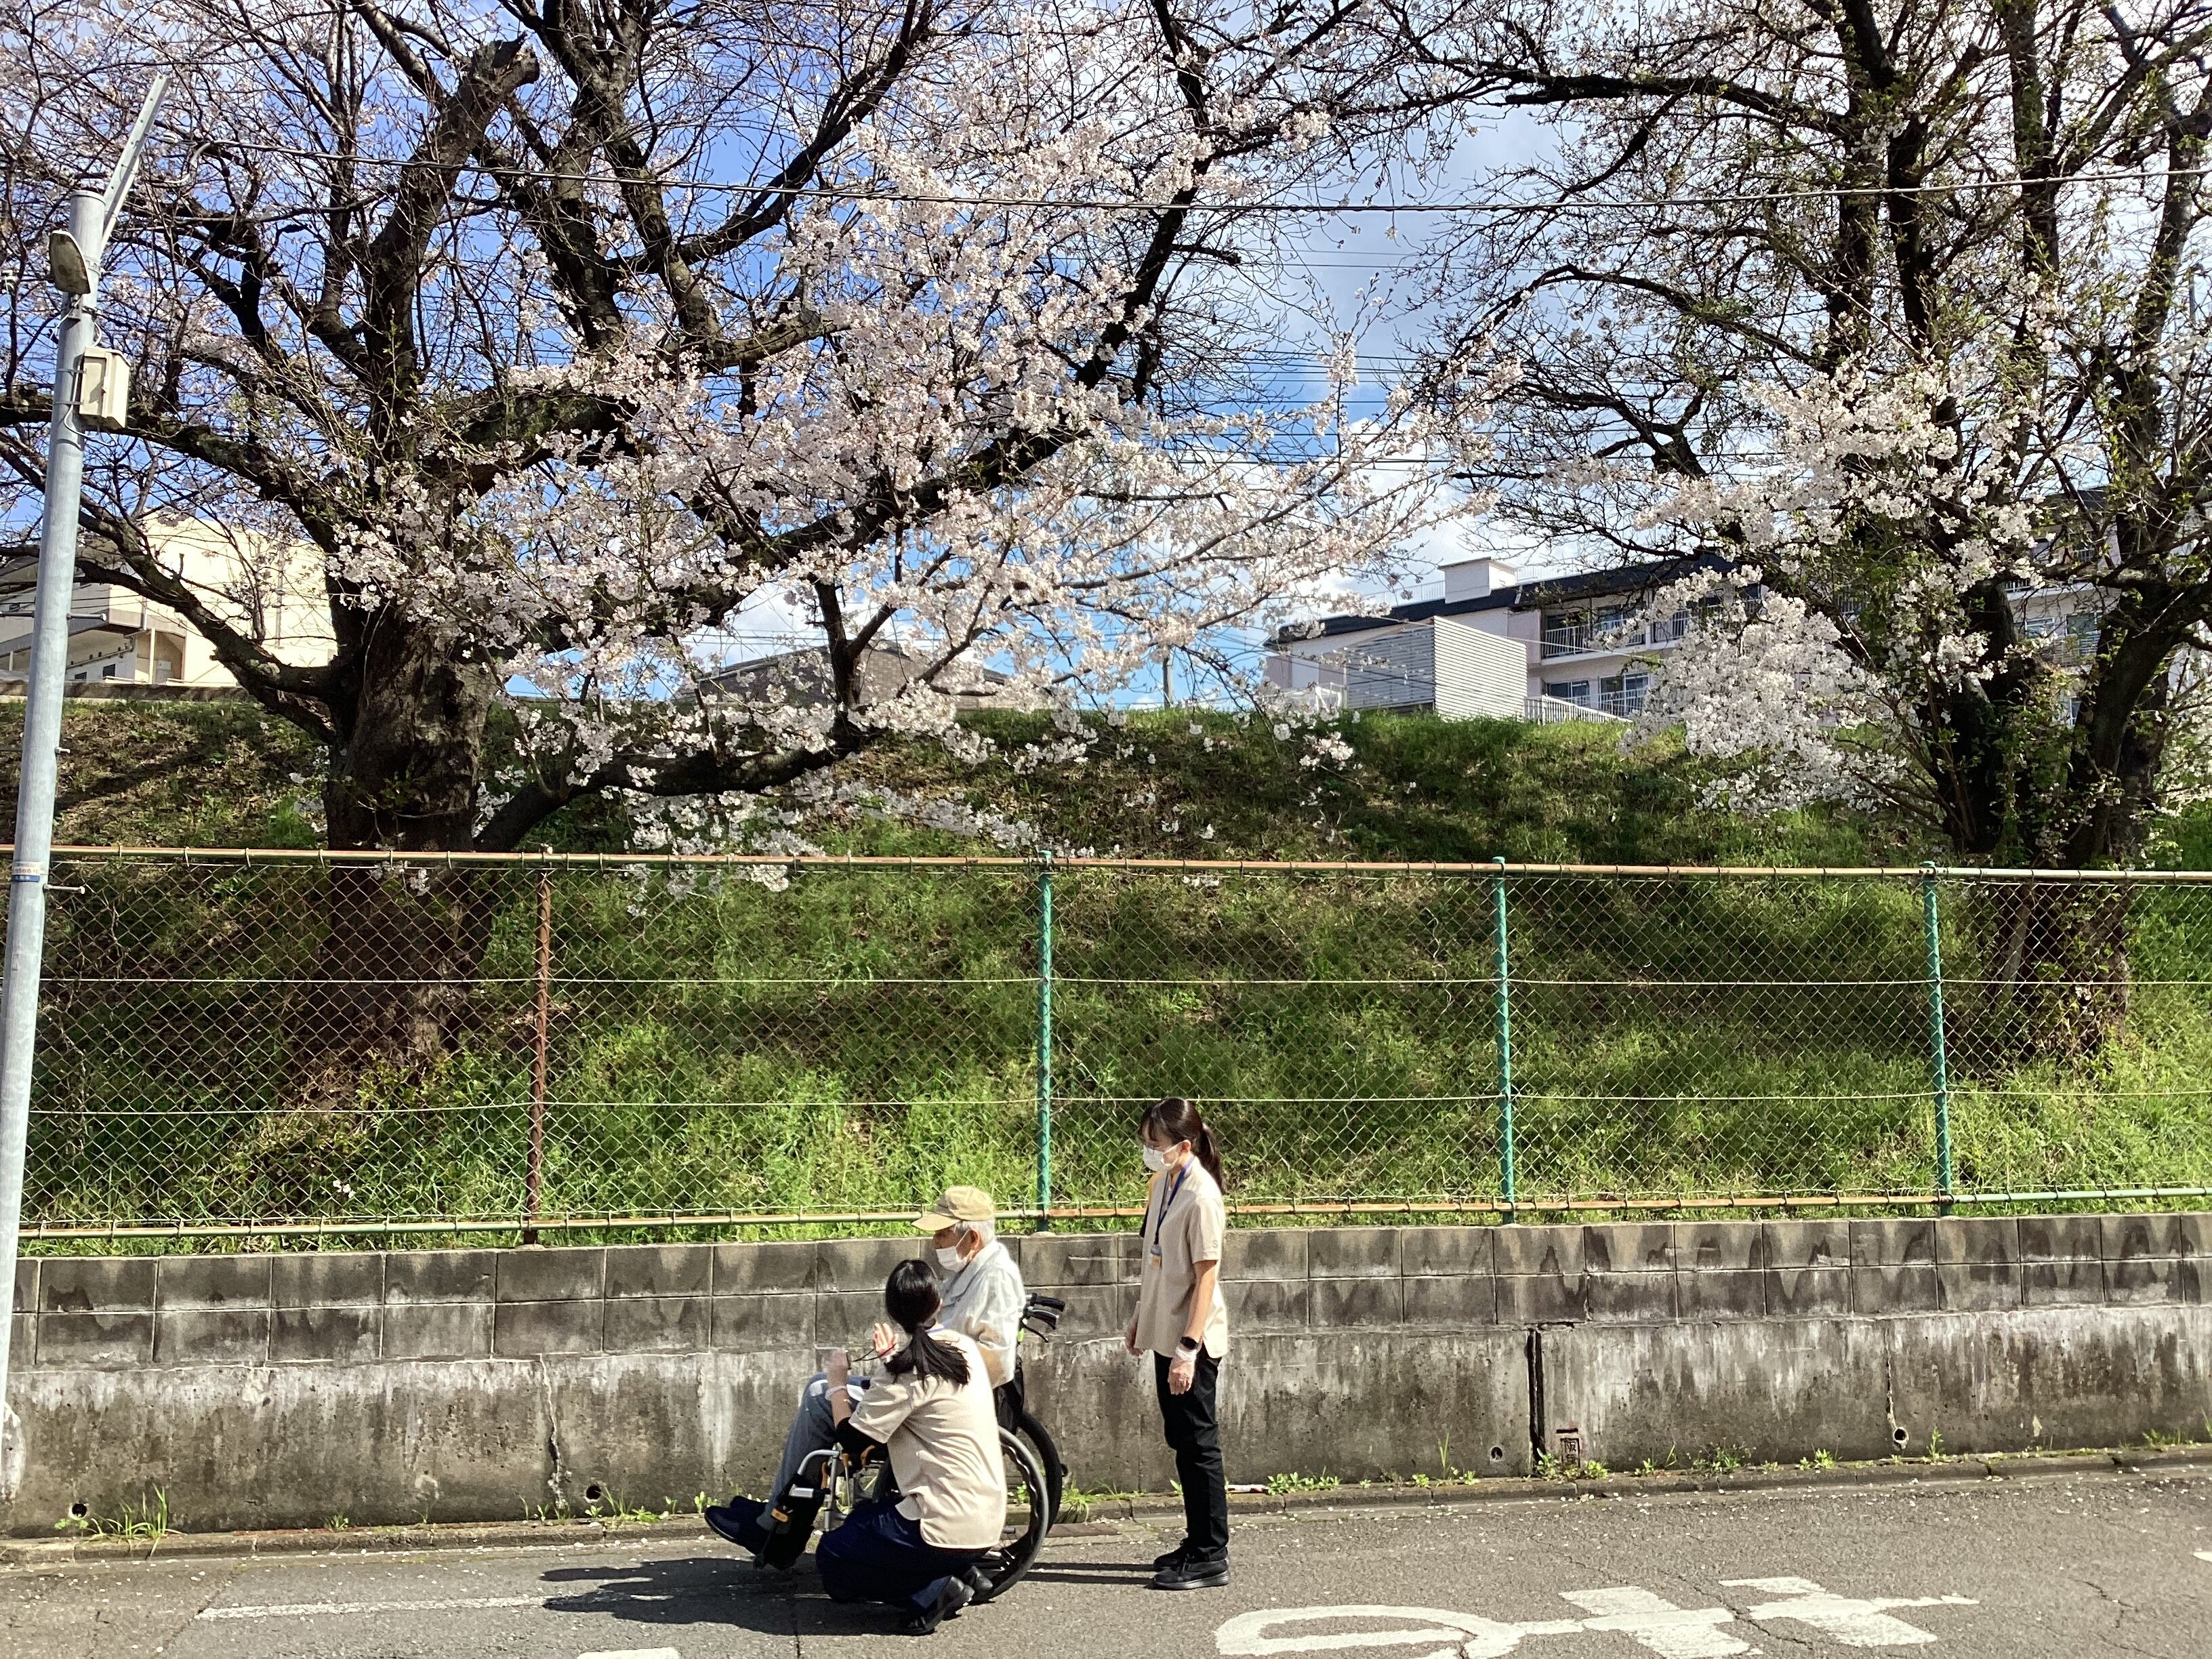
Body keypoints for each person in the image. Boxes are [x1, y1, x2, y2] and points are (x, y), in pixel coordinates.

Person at [705, 1187, 1024, 1555]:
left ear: (973, 1237)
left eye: (943, 1233)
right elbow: (940, 1343)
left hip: (941, 1398)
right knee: (822, 1386)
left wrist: (910, 1373)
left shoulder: (995, 1277)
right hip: (926, 1385)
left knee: (820, 1395)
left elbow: (996, 1361)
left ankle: (780, 1526)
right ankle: (782, 1514)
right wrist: (903, 1362)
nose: (935, 1242)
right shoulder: (969, 1271)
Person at [818, 1261, 1009, 1633]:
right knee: (860, 1521)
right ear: (938, 1302)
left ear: (892, 1312)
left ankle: (935, 1590)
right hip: (988, 1518)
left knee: (832, 1557)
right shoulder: (964, 1348)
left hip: (942, 1525)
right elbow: (923, 1387)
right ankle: (960, 1570)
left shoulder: (903, 1372)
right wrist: (891, 1360)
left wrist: (837, 1383)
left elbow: (854, 1439)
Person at [1123, 1095, 1231, 1590]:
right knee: (1182, 1441)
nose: (1150, 1150)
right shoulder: (1164, 1183)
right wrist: (1140, 1316)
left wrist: (1189, 1348)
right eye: (1147, 1142)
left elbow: (1207, 1276)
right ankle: (1196, 1540)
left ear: (1184, 1145)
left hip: (1191, 1338)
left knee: (1199, 1443)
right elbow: (1155, 1259)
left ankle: (1211, 1553)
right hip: (1164, 1330)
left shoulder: (1202, 1196)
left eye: (1157, 1143)